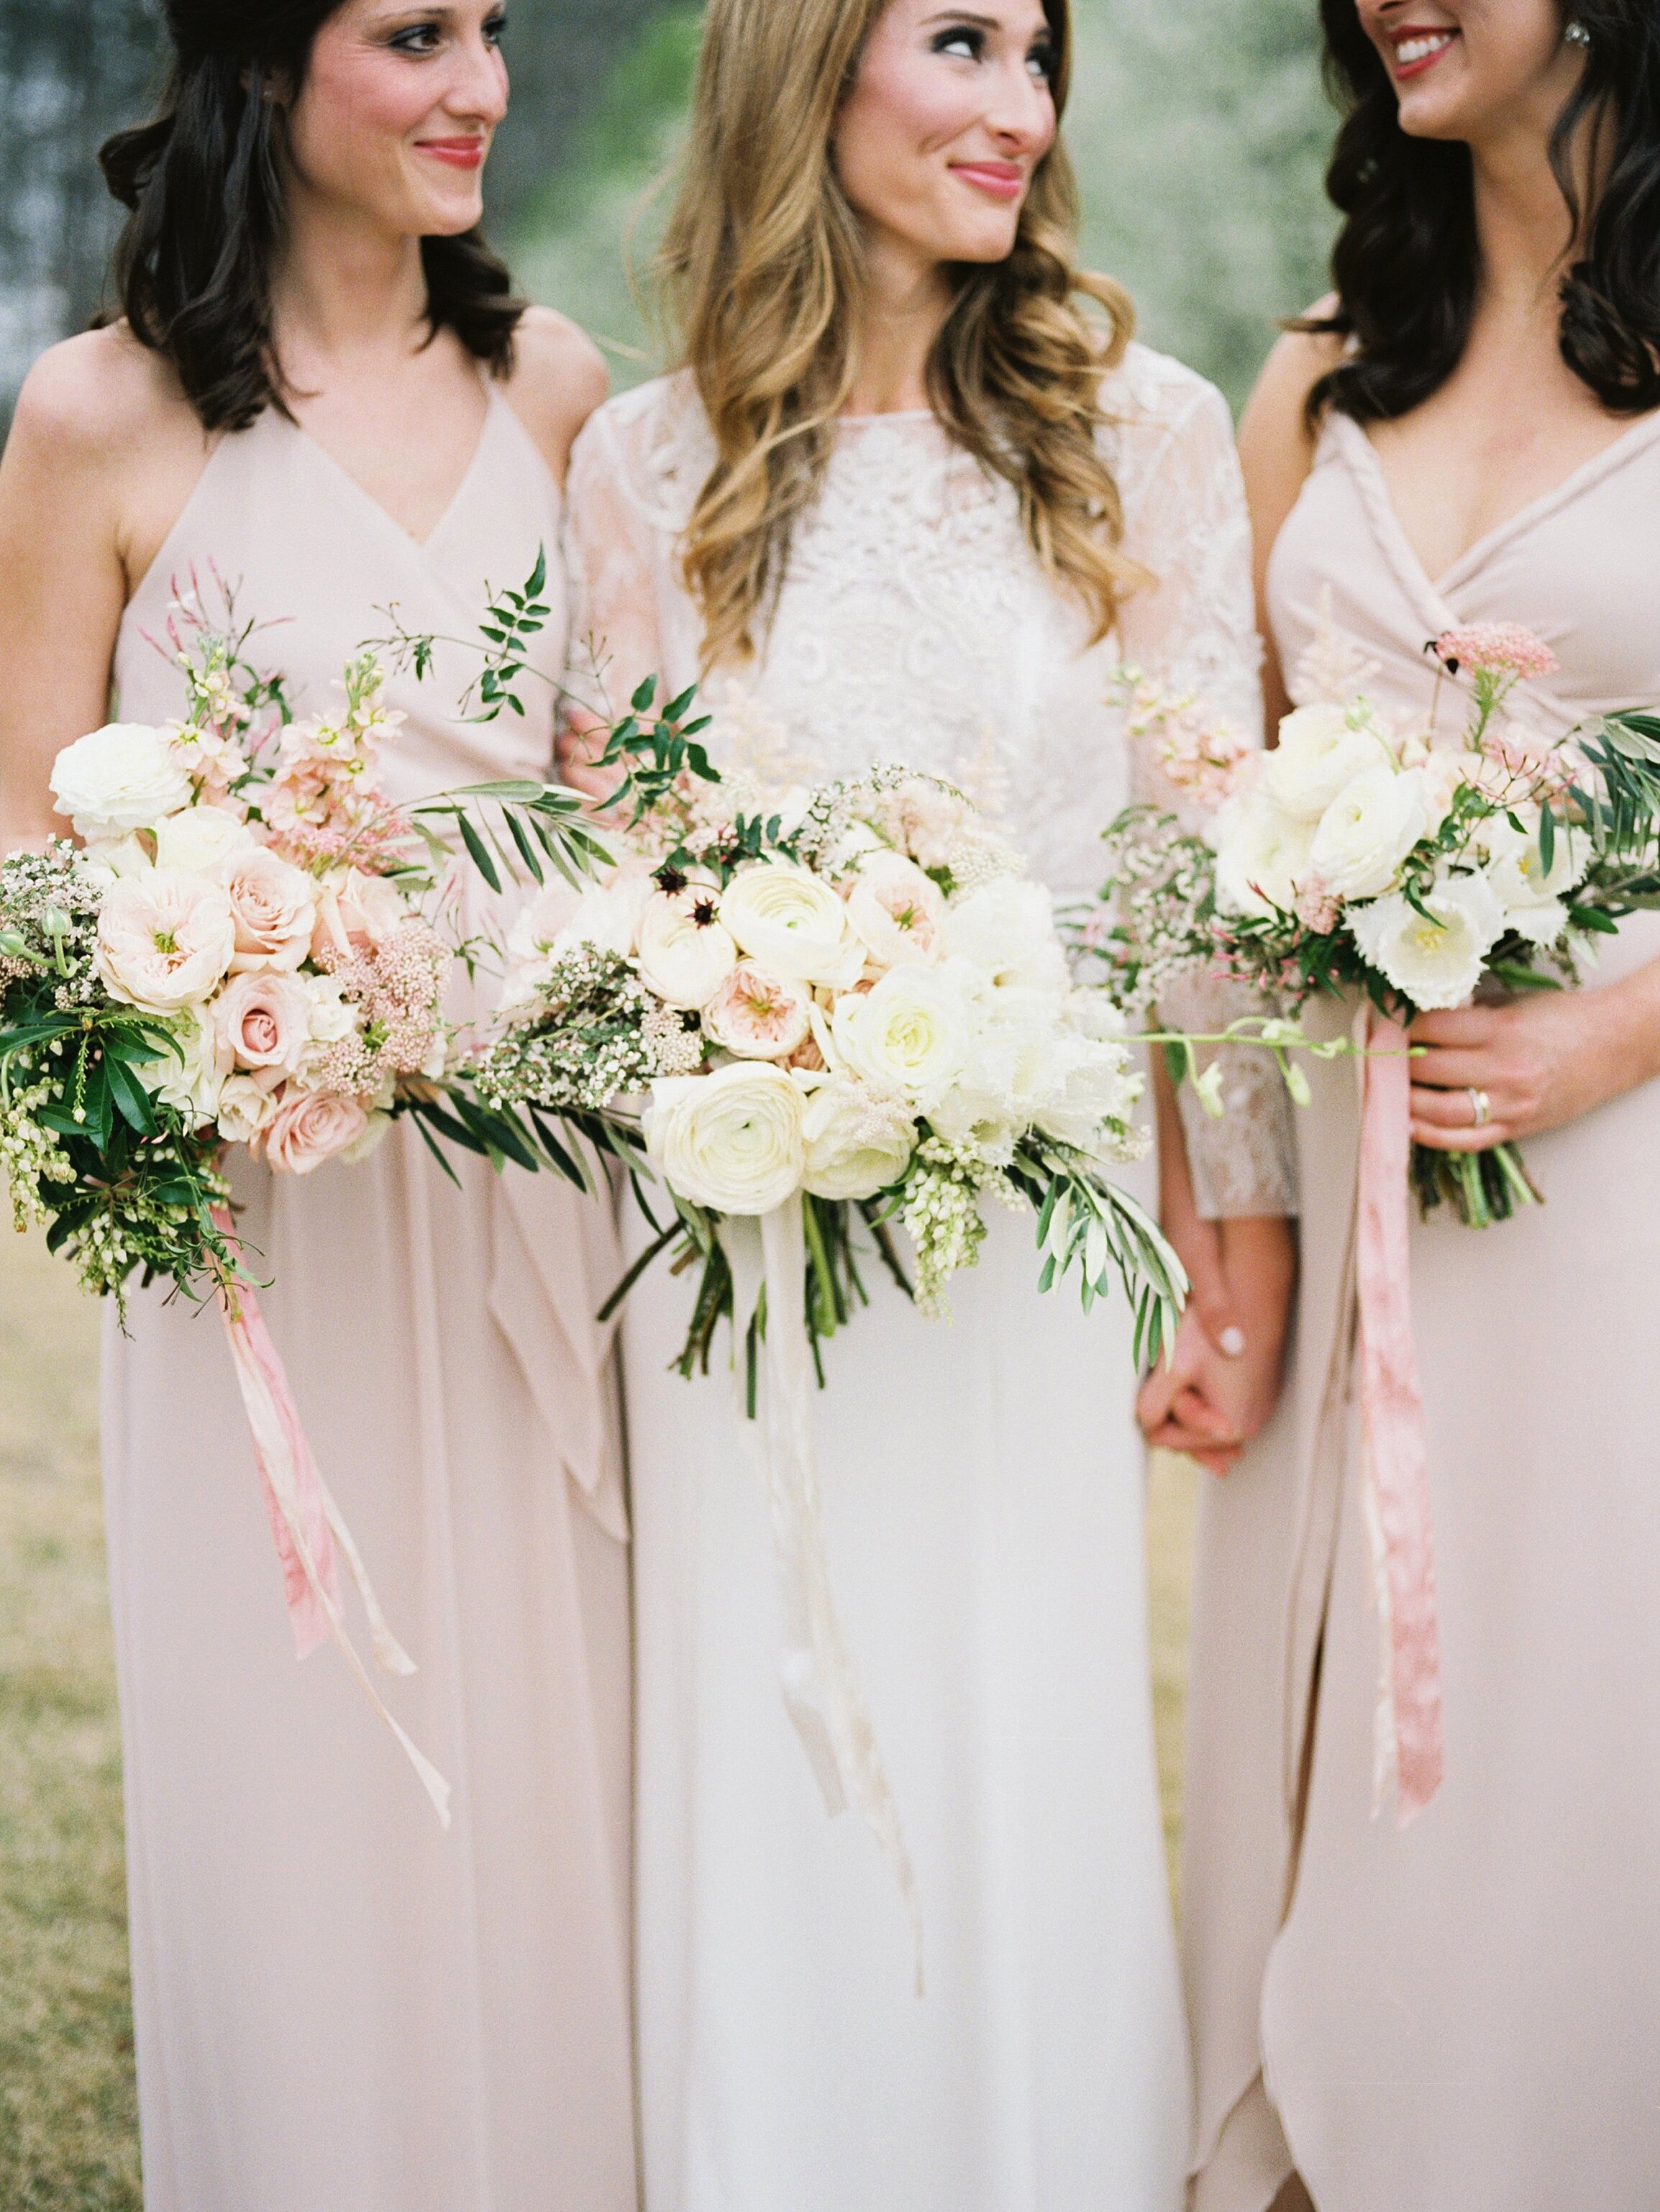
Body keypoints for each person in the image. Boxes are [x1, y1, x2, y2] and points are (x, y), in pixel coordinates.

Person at [558, 2, 1295, 2204]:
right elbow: (615, 872)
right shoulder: (634, 459)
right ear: (805, 68)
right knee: (756, 1742)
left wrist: (1228, 1236)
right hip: (743, 1221)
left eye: (1040, 54)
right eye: (958, 40)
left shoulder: (1138, 434)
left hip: (1038, 1212)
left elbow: (1203, 878)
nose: (1018, 107)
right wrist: (751, 1018)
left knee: (1027, 1730)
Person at [0, 4, 637, 2206]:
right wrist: (197, 998)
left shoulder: (555, 388)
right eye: (417, 31)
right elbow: (27, 861)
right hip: (259, 1222)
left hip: (540, 1208)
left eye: (492, 32)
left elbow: (622, 809)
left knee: (554, 1771)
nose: (478, 79)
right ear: (266, 60)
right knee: (299, 1777)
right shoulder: (100, 417)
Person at [1175, 1, 1660, 2206]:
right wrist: (1239, 1242)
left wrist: (1612, 1031)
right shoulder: (1314, 374)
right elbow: (1225, 822)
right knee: (1348, 1794)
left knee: (1576, 1756)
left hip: (1618, 1208)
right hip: (1361, 1217)